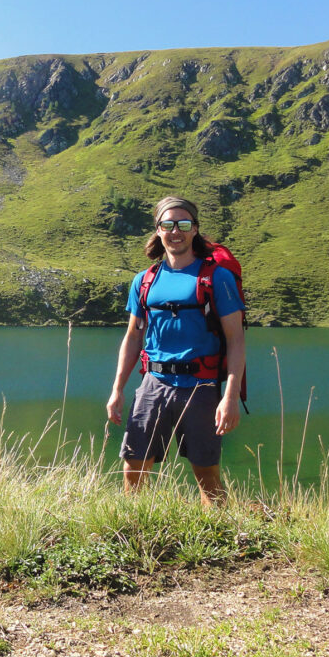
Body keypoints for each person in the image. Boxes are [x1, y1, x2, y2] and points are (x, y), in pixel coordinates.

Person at [105, 196, 245, 506]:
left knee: (206, 476)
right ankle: (133, 533)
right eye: (167, 225)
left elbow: (236, 340)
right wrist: (117, 390)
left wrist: (230, 396)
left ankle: (220, 537)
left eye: (183, 224)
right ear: (157, 230)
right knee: (133, 469)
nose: (175, 231)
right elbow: (132, 338)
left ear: (195, 229)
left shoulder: (216, 278)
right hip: (153, 385)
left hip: (200, 387)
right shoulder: (144, 281)